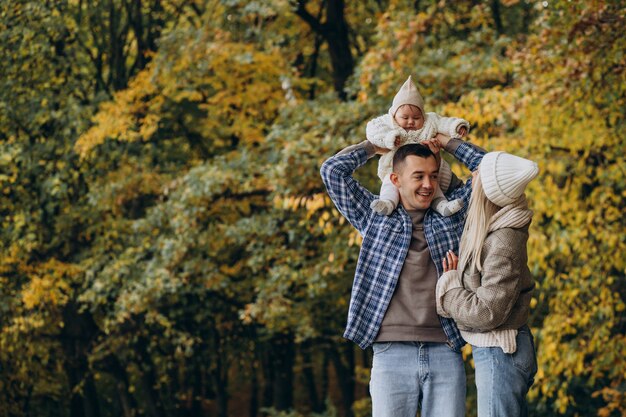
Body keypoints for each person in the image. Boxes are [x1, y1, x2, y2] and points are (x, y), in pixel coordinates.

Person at [320, 132, 485, 417]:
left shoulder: (452, 215)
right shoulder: (376, 216)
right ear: (395, 180)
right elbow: (331, 171)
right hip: (390, 353)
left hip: (445, 348)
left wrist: (447, 143)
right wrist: (373, 146)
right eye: (418, 176)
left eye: (434, 176)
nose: (428, 185)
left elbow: (489, 170)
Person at [436, 151, 540, 416]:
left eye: (478, 173)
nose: (472, 175)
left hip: (501, 352)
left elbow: (487, 311)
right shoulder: (497, 220)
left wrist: (449, 290)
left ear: (489, 188)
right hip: (500, 350)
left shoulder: (503, 239)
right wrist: (440, 148)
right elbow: (462, 185)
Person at [366, 75, 470, 216]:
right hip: (395, 165)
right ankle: (387, 203)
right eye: (405, 117)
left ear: (423, 115)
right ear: (394, 115)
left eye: (416, 118)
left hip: (427, 163)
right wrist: (388, 138)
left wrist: (457, 127)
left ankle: (442, 206)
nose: (410, 122)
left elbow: (444, 122)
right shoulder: (388, 122)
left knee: (432, 182)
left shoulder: (430, 121)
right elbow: (372, 129)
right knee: (389, 184)